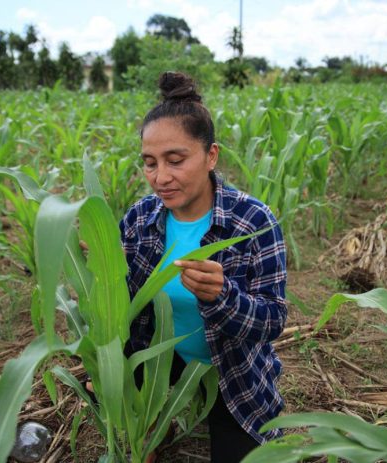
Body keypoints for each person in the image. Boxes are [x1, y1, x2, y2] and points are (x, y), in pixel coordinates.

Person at [120, 71, 288, 463]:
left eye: (175, 160)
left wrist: (223, 297)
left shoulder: (252, 222)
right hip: (158, 362)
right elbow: (126, 310)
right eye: (149, 163)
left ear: (211, 156)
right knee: (134, 443)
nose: (160, 178)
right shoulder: (140, 219)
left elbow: (273, 320)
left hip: (232, 373)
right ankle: (155, 418)